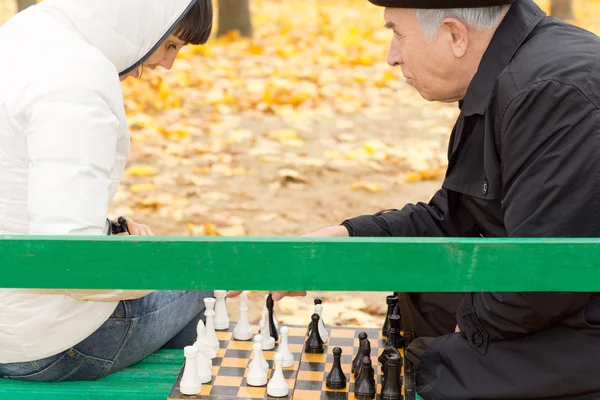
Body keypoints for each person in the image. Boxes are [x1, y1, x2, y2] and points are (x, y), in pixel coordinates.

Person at [236, 0, 600, 398]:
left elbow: (543, 273)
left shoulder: (549, 92)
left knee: (434, 369)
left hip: (574, 314)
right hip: (557, 291)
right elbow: (453, 219)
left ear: (455, 35)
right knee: (421, 304)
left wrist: (473, 327)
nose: (392, 56)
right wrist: (344, 240)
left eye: (396, 32)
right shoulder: (508, 73)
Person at [0, 0, 214, 382]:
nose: (167, 64)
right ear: (144, 19)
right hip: (42, 346)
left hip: (14, 316)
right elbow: (70, 260)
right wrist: (145, 264)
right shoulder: (78, 75)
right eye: (171, 44)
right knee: (204, 281)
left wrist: (108, 231)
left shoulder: (21, 33)